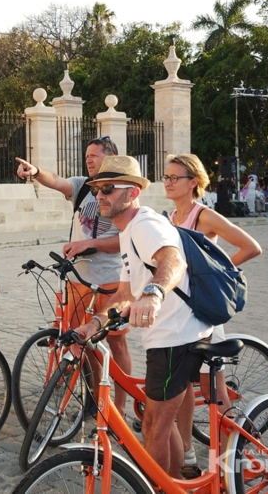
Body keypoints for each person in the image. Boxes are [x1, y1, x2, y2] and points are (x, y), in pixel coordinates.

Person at [74, 155, 213, 479]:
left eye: (109, 188)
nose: (100, 195)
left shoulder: (145, 225)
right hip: (167, 337)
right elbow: (123, 294)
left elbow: (174, 261)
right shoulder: (127, 232)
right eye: (96, 188)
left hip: (176, 337)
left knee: (153, 426)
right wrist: (94, 324)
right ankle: (176, 482)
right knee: (161, 423)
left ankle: (161, 485)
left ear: (133, 193)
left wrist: (153, 294)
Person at [14, 136, 132, 416]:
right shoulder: (82, 187)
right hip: (79, 279)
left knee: (117, 342)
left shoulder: (121, 192)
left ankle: (122, 406)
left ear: (111, 158)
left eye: (94, 155)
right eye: (87, 155)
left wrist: (89, 244)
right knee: (86, 339)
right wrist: (36, 172)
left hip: (111, 280)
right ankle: (94, 396)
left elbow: (126, 240)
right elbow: (57, 181)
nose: (88, 159)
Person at [162, 154, 262, 477]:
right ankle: (189, 452)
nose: (167, 182)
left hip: (204, 317)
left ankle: (234, 462)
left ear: (193, 182)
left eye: (174, 177)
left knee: (212, 390)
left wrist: (216, 273)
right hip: (179, 317)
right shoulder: (171, 218)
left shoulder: (203, 217)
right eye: (166, 176)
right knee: (184, 389)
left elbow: (250, 246)